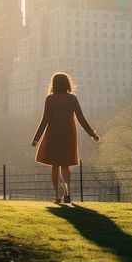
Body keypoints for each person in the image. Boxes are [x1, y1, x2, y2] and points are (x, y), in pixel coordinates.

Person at [32, 72, 98, 204]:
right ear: (67, 83)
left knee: (55, 165)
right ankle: (67, 193)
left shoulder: (50, 99)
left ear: (54, 84)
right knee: (66, 165)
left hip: (53, 134)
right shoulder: (72, 99)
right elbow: (81, 119)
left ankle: (57, 196)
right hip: (69, 134)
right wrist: (92, 134)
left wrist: (36, 138)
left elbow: (45, 120)